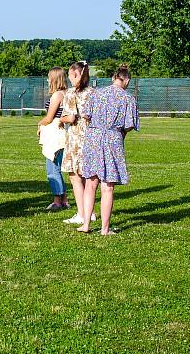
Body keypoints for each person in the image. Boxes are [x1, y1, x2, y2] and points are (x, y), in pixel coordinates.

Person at [78, 65, 139, 235]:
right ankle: (105, 229)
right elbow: (129, 126)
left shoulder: (96, 93)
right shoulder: (128, 99)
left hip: (93, 137)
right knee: (107, 186)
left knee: (90, 183)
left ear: (113, 78)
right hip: (113, 138)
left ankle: (86, 225)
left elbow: (86, 115)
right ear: (126, 80)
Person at [59, 61, 96, 225]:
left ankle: (82, 213)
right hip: (92, 137)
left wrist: (61, 119)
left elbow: (72, 117)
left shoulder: (71, 93)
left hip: (76, 138)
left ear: (75, 74)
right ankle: (91, 212)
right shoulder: (94, 93)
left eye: (69, 74)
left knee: (75, 176)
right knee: (89, 177)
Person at [37, 67, 69, 211]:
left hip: (55, 134)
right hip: (61, 133)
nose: (48, 80)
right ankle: (64, 199)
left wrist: (39, 124)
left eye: (49, 77)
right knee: (57, 167)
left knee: (52, 169)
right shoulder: (67, 93)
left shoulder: (57, 95)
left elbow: (49, 118)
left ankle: (57, 201)